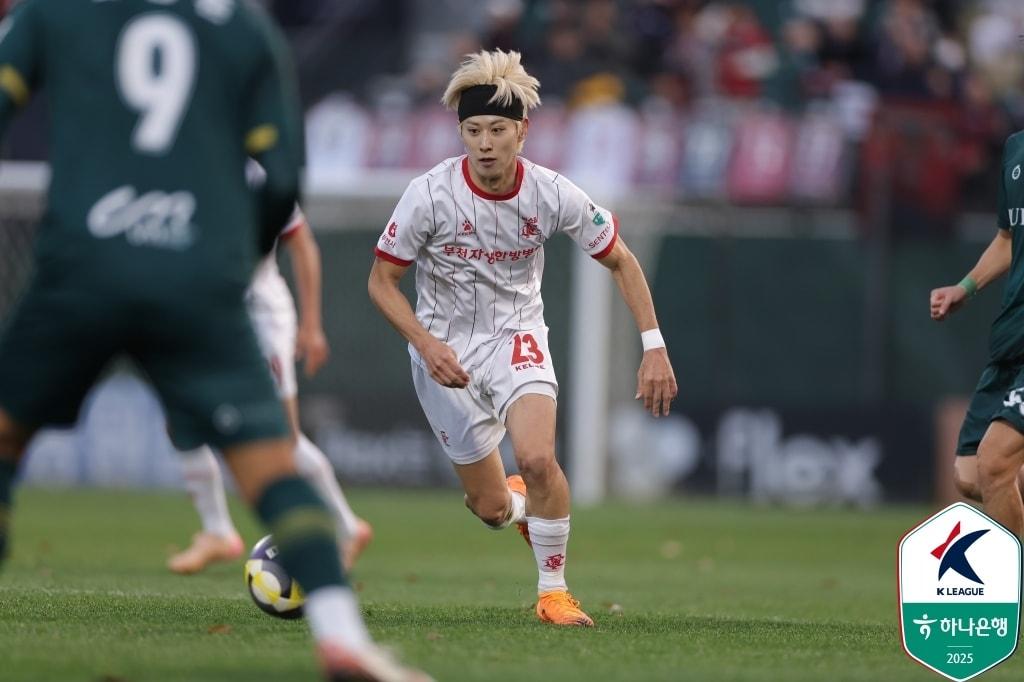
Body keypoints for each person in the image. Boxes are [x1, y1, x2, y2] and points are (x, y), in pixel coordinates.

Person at [0, 1, 427, 680]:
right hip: (199, 278)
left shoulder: (58, 11)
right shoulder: (243, 29)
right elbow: (284, 174)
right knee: (274, 469)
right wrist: (232, 264)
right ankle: (343, 635)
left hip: (84, 263)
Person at [368, 49, 678, 627]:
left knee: (538, 459)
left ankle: (553, 593)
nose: (485, 143)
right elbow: (382, 282)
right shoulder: (428, 195)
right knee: (489, 509)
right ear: (461, 132)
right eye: (473, 130)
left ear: (523, 131)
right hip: (442, 350)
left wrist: (653, 345)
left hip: (517, 336)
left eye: (497, 130)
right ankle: (516, 506)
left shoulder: (551, 192)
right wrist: (426, 343)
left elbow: (622, 261)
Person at [169, 205, 373, 575]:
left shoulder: (258, 174)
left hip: (260, 318)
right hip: (208, 315)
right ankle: (216, 530)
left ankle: (346, 527)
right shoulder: (184, 164)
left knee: (284, 442)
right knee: (181, 417)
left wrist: (311, 326)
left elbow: (303, 245)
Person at [931, 129, 1024, 538]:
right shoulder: (1015, 148)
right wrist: (965, 287)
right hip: (1013, 331)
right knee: (970, 476)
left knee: (995, 461)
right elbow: (1008, 238)